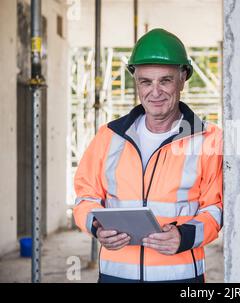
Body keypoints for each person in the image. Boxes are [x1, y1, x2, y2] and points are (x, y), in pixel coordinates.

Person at [73, 28, 223, 283]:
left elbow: (216, 208)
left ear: (183, 78)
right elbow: (85, 198)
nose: (155, 92)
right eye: (146, 81)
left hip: (180, 277)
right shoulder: (108, 136)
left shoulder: (209, 139)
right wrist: (97, 227)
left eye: (165, 80)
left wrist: (184, 236)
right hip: (115, 276)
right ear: (136, 81)